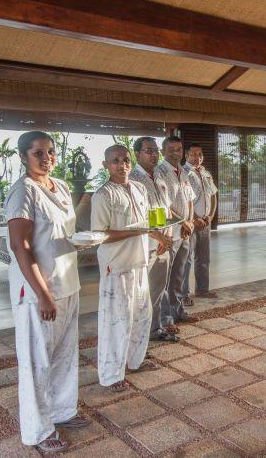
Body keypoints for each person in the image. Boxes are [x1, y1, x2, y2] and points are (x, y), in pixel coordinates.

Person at [5, 131, 90, 453]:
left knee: (65, 354)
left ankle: (63, 410)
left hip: (67, 282)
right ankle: (38, 429)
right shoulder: (23, 191)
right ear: (23, 157)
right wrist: (42, 294)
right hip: (38, 290)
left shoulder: (61, 186)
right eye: (38, 153)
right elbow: (20, 245)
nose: (47, 158)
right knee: (37, 361)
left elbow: (62, 233)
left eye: (50, 152)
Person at [91, 144, 172, 392]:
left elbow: (146, 220)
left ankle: (135, 361)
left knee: (142, 315)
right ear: (106, 165)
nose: (122, 165)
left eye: (125, 160)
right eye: (115, 160)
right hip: (116, 266)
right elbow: (100, 234)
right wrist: (141, 231)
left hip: (139, 261)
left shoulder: (138, 188)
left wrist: (159, 236)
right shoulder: (103, 195)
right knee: (117, 321)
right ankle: (111, 375)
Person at [130, 136, 191, 342]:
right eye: (148, 151)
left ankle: (155, 329)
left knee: (158, 289)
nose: (154, 155)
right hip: (147, 244)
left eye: (155, 150)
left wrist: (169, 233)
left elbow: (165, 209)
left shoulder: (157, 176)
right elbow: (137, 217)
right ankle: (140, 336)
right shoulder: (133, 179)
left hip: (164, 241)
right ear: (137, 154)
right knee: (143, 292)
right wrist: (159, 237)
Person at [155, 136, 196, 313]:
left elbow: (190, 199)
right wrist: (183, 222)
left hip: (185, 232)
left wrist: (191, 222)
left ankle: (178, 310)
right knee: (166, 277)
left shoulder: (183, 171)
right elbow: (164, 205)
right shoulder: (158, 173)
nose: (175, 153)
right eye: (171, 149)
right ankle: (166, 317)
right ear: (163, 151)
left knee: (180, 274)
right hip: (170, 233)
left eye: (178, 149)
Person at [182, 142, 219, 299]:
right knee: (186, 259)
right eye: (193, 154)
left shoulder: (205, 173)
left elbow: (213, 195)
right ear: (186, 155)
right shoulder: (183, 173)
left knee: (203, 258)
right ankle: (183, 295)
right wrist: (195, 218)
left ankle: (202, 289)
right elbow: (183, 199)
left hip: (205, 222)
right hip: (190, 223)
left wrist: (210, 216)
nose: (197, 157)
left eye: (200, 154)